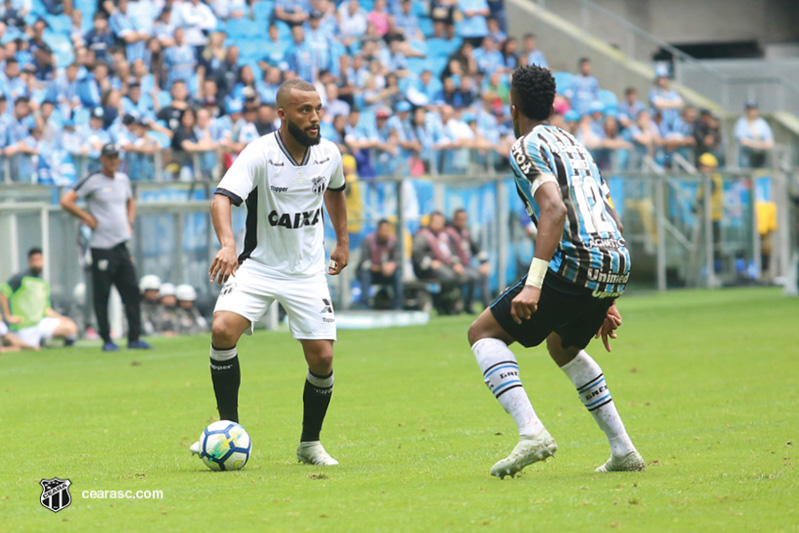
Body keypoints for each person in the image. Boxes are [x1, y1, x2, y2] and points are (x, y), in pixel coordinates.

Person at [467, 65, 644, 479]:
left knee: (483, 333)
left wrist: (533, 285)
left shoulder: (524, 147)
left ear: (513, 106)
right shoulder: (575, 144)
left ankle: (532, 433)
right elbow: (606, 210)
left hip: (578, 260)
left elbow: (554, 209)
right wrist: (607, 295)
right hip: (615, 258)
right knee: (562, 346)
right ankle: (623, 450)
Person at [189, 79, 349, 467]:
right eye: (304, 111)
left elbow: (336, 191)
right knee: (223, 329)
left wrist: (342, 241)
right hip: (259, 265)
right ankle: (229, 429)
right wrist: (228, 245)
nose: (314, 118)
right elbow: (221, 199)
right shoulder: (260, 153)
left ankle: (309, 444)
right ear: (283, 115)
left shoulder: (328, 153)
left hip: (307, 272)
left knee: (322, 359)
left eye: (317, 109)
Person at [59, 143, 151, 351]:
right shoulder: (93, 180)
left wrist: (130, 222)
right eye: (109, 156)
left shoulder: (123, 179)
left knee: (131, 292)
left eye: (116, 157)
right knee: (103, 295)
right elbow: (67, 200)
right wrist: (86, 217)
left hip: (121, 245)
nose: (113, 160)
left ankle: (134, 338)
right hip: (102, 246)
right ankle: (106, 339)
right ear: (101, 159)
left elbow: (130, 201)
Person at [0, 248, 79, 348]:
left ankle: (55, 346)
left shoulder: (43, 283)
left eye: (39, 260)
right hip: (25, 326)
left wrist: (62, 318)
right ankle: (18, 341)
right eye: (34, 260)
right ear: (29, 261)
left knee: (70, 327)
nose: (37, 263)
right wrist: (8, 316)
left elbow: (46, 309)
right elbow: (3, 292)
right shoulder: (21, 278)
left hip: (41, 323)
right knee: (26, 348)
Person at [412, 211, 469, 315]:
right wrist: (430, 263)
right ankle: (442, 305)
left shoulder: (444, 236)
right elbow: (416, 254)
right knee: (448, 276)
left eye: (440, 222)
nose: (438, 224)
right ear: (430, 222)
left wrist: (456, 263)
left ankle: (456, 305)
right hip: (425, 269)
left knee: (462, 275)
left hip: (444, 266)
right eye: (435, 221)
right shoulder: (423, 235)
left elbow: (451, 253)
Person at [446, 208, 490, 312]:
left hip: (466, 266)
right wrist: (455, 263)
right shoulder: (448, 233)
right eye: (460, 219)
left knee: (482, 274)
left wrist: (484, 263)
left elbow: (477, 249)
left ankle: (487, 305)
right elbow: (448, 252)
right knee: (473, 276)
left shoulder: (466, 232)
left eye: (464, 219)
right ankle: (467, 305)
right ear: (455, 219)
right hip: (452, 266)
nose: (462, 222)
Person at [357, 219, 402, 310]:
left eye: (387, 230)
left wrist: (390, 266)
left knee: (397, 274)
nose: (385, 233)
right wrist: (380, 268)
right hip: (372, 273)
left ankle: (398, 306)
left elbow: (397, 260)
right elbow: (364, 262)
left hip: (387, 273)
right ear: (378, 230)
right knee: (365, 274)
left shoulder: (393, 241)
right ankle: (364, 305)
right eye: (383, 230)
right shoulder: (368, 241)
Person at [696, 153, 724, 274]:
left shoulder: (713, 179)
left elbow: (707, 193)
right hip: (707, 216)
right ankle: (709, 268)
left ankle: (714, 270)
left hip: (713, 216)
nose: (701, 168)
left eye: (704, 165)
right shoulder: (706, 178)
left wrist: (698, 205)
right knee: (709, 244)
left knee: (712, 245)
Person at [734, 100, 773, 169]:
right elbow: (743, 141)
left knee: (762, 175)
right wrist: (758, 144)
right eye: (750, 110)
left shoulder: (762, 123)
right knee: (747, 176)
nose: (752, 112)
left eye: (754, 109)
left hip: (761, 155)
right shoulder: (742, 123)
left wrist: (760, 145)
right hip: (747, 155)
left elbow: (769, 142)